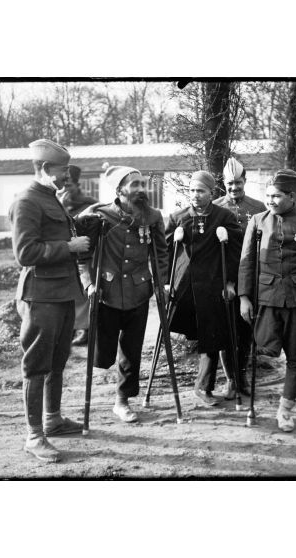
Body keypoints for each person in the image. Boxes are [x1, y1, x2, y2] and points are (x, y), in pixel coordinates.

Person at [9, 139, 91, 463]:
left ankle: (52, 419)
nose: (66, 179)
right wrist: (69, 248)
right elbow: (25, 253)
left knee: (57, 361)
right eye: (61, 173)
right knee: (36, 366)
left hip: (62, 294)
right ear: (44, 169)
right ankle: (34, 436)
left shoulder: (51, 199)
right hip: (40, 296)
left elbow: (55, 237)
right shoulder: (27, 201)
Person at [239, 169, 296, 433]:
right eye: (268, 195)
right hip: (266, 301)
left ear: (291, 196)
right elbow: (247, 263)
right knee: (261, 349)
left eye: (276, 196)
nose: (271, 200)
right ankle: (240, 390)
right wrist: (244, 297)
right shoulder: (257, 222)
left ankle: (286, 409)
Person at [78, 165, 168, 423]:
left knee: (131, 351)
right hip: (106, 292)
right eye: (135, 184)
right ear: (119, 190)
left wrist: (161, 284)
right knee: (102, 353)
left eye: (143, 184)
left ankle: (122, 401)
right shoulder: (100, 215)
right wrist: (88, 284)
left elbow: (161, 254)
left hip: (139, 291)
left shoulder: (152, 217)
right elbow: (83, 258)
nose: (142, 189)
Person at [166, 170, 243, 406]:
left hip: (212, 287)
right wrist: (172, 241)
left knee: (212, 336)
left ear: (211, 192)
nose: (195, 195)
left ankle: (204, 387)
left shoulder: (225, 217)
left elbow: (234, 254)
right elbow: (164, 253)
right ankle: (200, 384)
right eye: (192, 190)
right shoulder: (178, 217)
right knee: (192, 333)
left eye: (200, 191)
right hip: (186, 288)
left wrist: (231, 282)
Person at [213, 157, 266, 399]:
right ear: (224, 183)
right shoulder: (215, 207)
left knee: (246, 329)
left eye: (238, 183)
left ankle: (242, 375)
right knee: (225, 330)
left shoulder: (258, 207)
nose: (234, 188)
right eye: (230, 184)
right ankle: (230, 380)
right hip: (224, 277)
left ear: (245, 181)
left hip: (250, 277)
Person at [57, 164, 98, 346]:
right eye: (63, 185)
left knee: (83, 293)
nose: (65, 190)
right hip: (63, 255)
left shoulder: (88, 204)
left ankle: (85, 329)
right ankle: (71, 328)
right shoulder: (56, 204)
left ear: (76, 185)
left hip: (85, 256)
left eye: (69, 185)